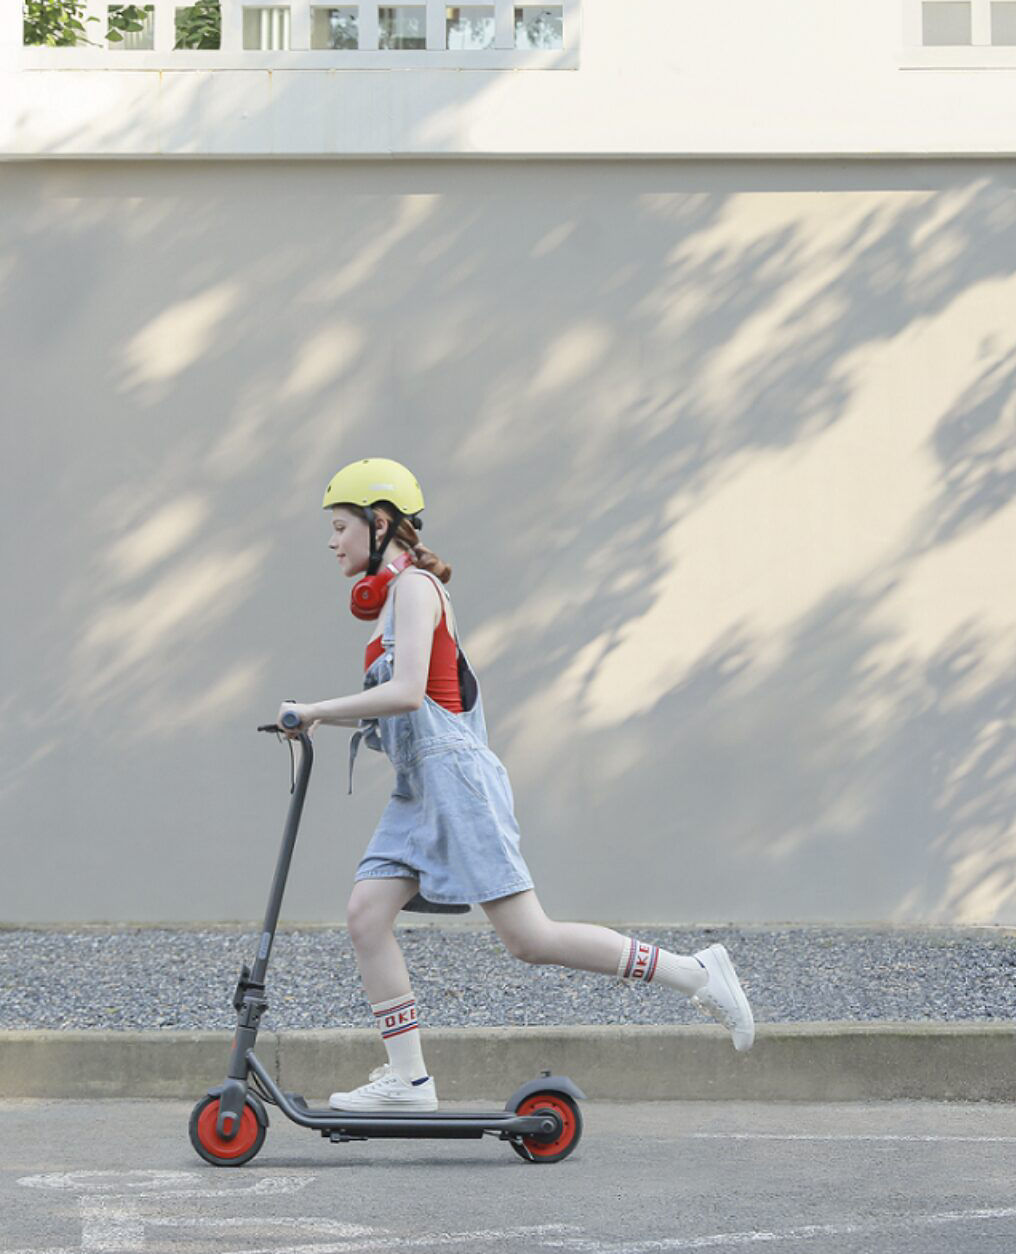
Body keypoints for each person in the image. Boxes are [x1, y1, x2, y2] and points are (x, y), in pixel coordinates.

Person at [277, 457, 754, 1112]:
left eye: (339, 526)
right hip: (418, 792)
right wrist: (311, 724)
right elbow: (395, 705)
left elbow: (410, 691)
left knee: (529, 939)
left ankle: (696, 973)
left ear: (379, 523)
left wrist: (317, 710)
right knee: (365, 917)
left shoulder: (415, 590)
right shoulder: (391, 603)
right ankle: (409, 1081)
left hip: (456, 784)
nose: (331, 541)